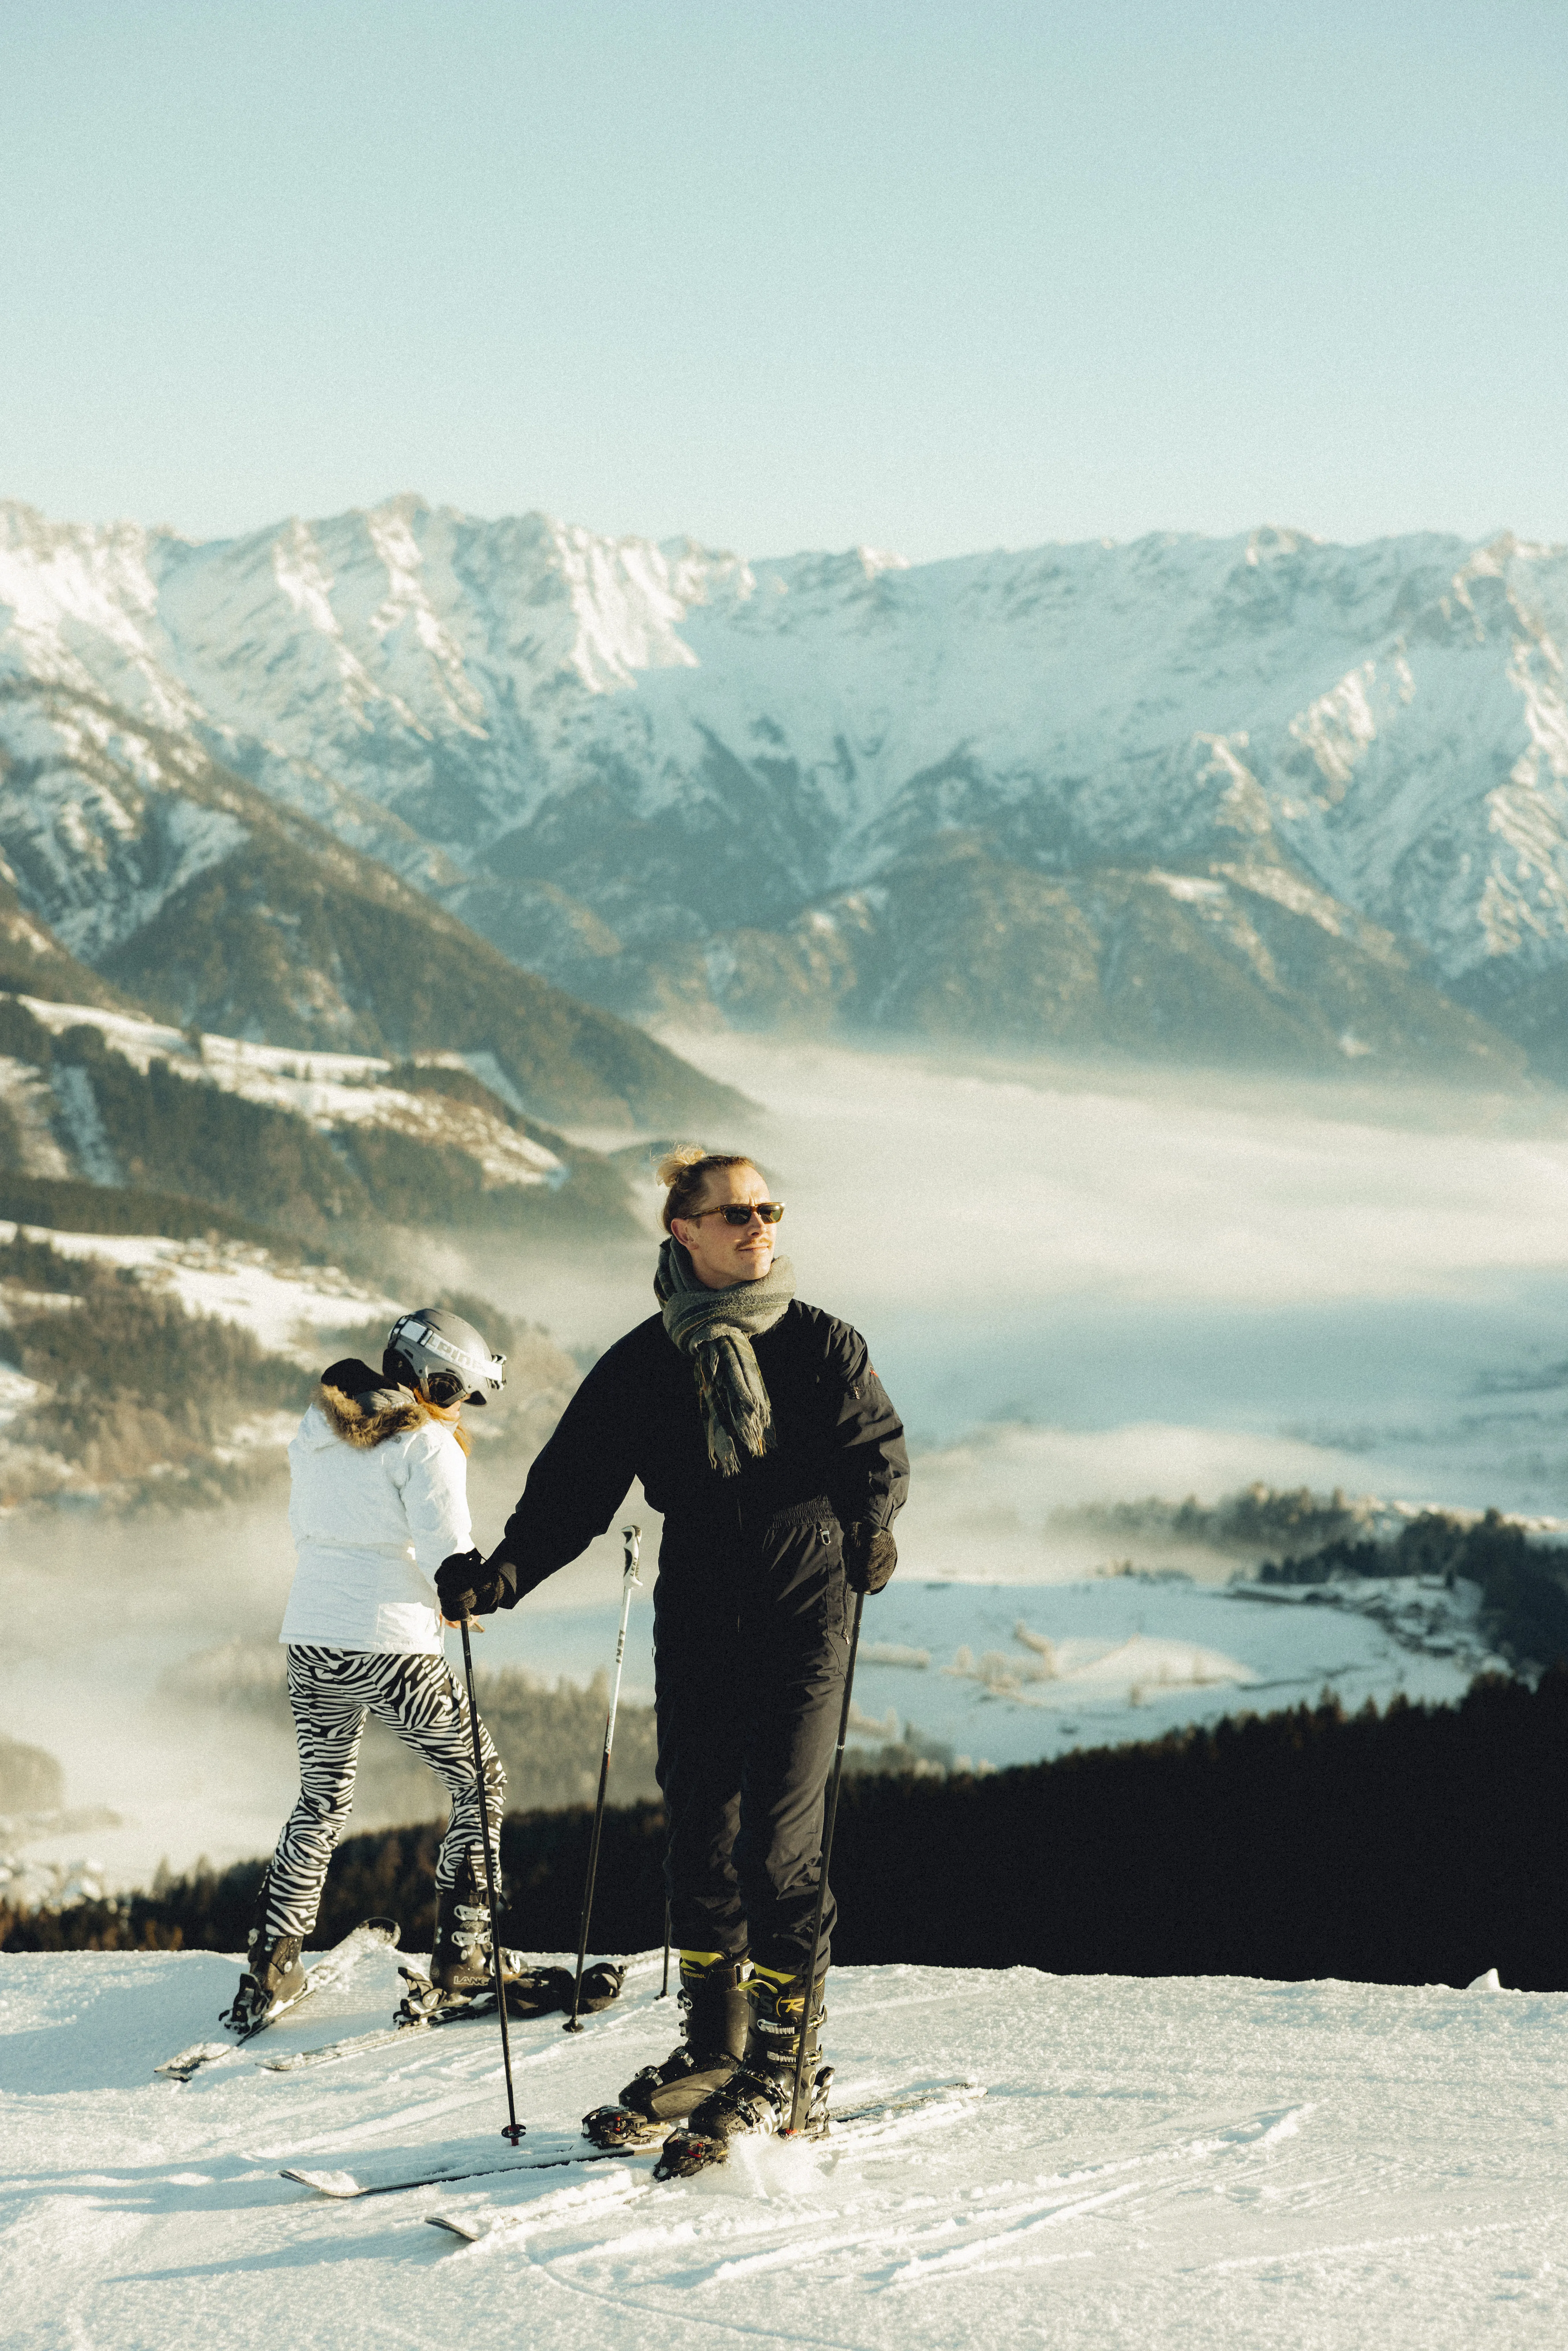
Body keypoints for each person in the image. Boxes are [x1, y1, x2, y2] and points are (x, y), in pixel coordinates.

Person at [437, 1147, 908, 2159]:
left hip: (803, 1600)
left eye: (769, 1208)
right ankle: (712, 2049)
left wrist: (873, 1524)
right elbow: (573, 1490)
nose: (759, 1225)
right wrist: (503, 1576)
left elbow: (876, 1453)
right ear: (681, 1231)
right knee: (700, 1831)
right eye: (735, 1211)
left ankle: (788, 2073)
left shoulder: (822, 1345)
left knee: (779, 1847)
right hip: (698, 1601)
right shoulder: (645, 1363)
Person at [226, 1306, 510, 2031]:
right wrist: (465, 1594)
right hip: (394, 1645)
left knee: (322, 1798)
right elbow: (451, 1554)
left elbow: (319, 1526)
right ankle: (466, 1950)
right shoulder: (429, 1446)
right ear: (422, 1375)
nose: (453, 1406)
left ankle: (273, 1961)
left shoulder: (314, 1431)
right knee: (478, 1779)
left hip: (312, 1637)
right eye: (450, 1388)